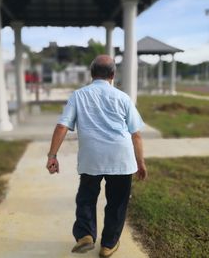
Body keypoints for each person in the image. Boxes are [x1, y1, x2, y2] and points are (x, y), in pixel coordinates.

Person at [46, 55, 147, 258]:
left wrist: (52, 155)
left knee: (86, 198)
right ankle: (108, 245)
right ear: (113, 74)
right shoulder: (123, 97)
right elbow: (135, 134)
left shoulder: (78, 95)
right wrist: (140, 162)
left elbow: (62, 126)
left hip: (91, 158)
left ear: (92, 74)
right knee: (117, 203)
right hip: (121, 158)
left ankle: (85, 234)